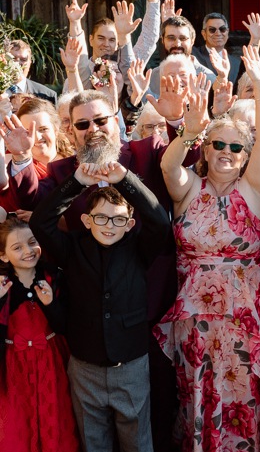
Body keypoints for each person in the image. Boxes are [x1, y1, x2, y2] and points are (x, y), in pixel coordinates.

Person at [154, 46, 260, 450]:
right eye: (218, 145)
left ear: (245, 157)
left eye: (236, 148)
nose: (226, 152)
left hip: (245, 311)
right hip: (196, 315)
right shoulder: (189, 188)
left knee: (245, 389)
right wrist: (188, 132)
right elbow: (168, 168)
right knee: (198, 388)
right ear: (205, 151)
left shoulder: (254, 190)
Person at [29, 161, 170, 452]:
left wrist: (125, 179)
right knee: (93, 441)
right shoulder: (71, 249)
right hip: (85, 367)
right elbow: (40, 222)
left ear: (130, 224)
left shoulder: (139, 248)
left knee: (137, 441)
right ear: (86, 220)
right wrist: (77, 181)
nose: (109, 226)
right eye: (101, 218)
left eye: (118, 219)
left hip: (130, 365)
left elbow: (159, 221)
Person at [0, 217, 80, 452]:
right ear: (3, 255)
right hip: (14, 365)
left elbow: (65, 323)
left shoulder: (53, 276)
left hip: (50, 362)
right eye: (17, 247)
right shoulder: (3, 285)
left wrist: (51, 304)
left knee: (55, 416)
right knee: (17, 424)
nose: (28, 251)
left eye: (32, 242)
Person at [192, 12, 241, 86]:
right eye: (212, 30)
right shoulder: (194, 54)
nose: (218, 33)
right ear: (204, 34)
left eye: (222, 29)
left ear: (227, 32)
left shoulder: (237, 62)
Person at [6, 40, 58, 105]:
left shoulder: (47, 96)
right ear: (4, 61)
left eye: (23, 59)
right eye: (13, 59)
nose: (18, 63)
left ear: (30, 63)